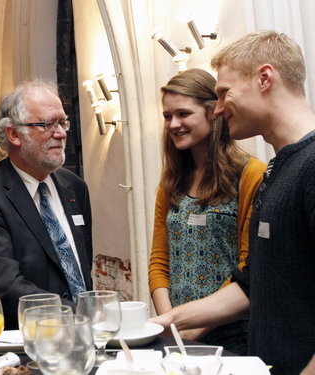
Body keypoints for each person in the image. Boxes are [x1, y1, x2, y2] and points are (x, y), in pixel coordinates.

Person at [151, 30, 315, 375]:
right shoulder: (278, 170)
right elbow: (251, 285)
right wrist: (165, 323)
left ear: (265, 78)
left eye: (224, 93)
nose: (220, 108)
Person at [148, 68, 266, 354]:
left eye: (183, 114)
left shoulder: (251, 175)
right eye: (167, 116)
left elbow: (248, 266)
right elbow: (159, 262)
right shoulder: (171, 182)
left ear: (213, 112)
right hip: (179, 335)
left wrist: (196, 327)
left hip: (235, 334)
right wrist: (171, 324)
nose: (173, 124)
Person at [0, 79, 93, 329]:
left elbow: (81, 268)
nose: (61, 133)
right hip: (26, 341)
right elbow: (4, 284)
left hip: (84, 336)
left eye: (62, 122)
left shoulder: (75, 187)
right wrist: (80, 314)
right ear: (13, 134)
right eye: (47, 124)